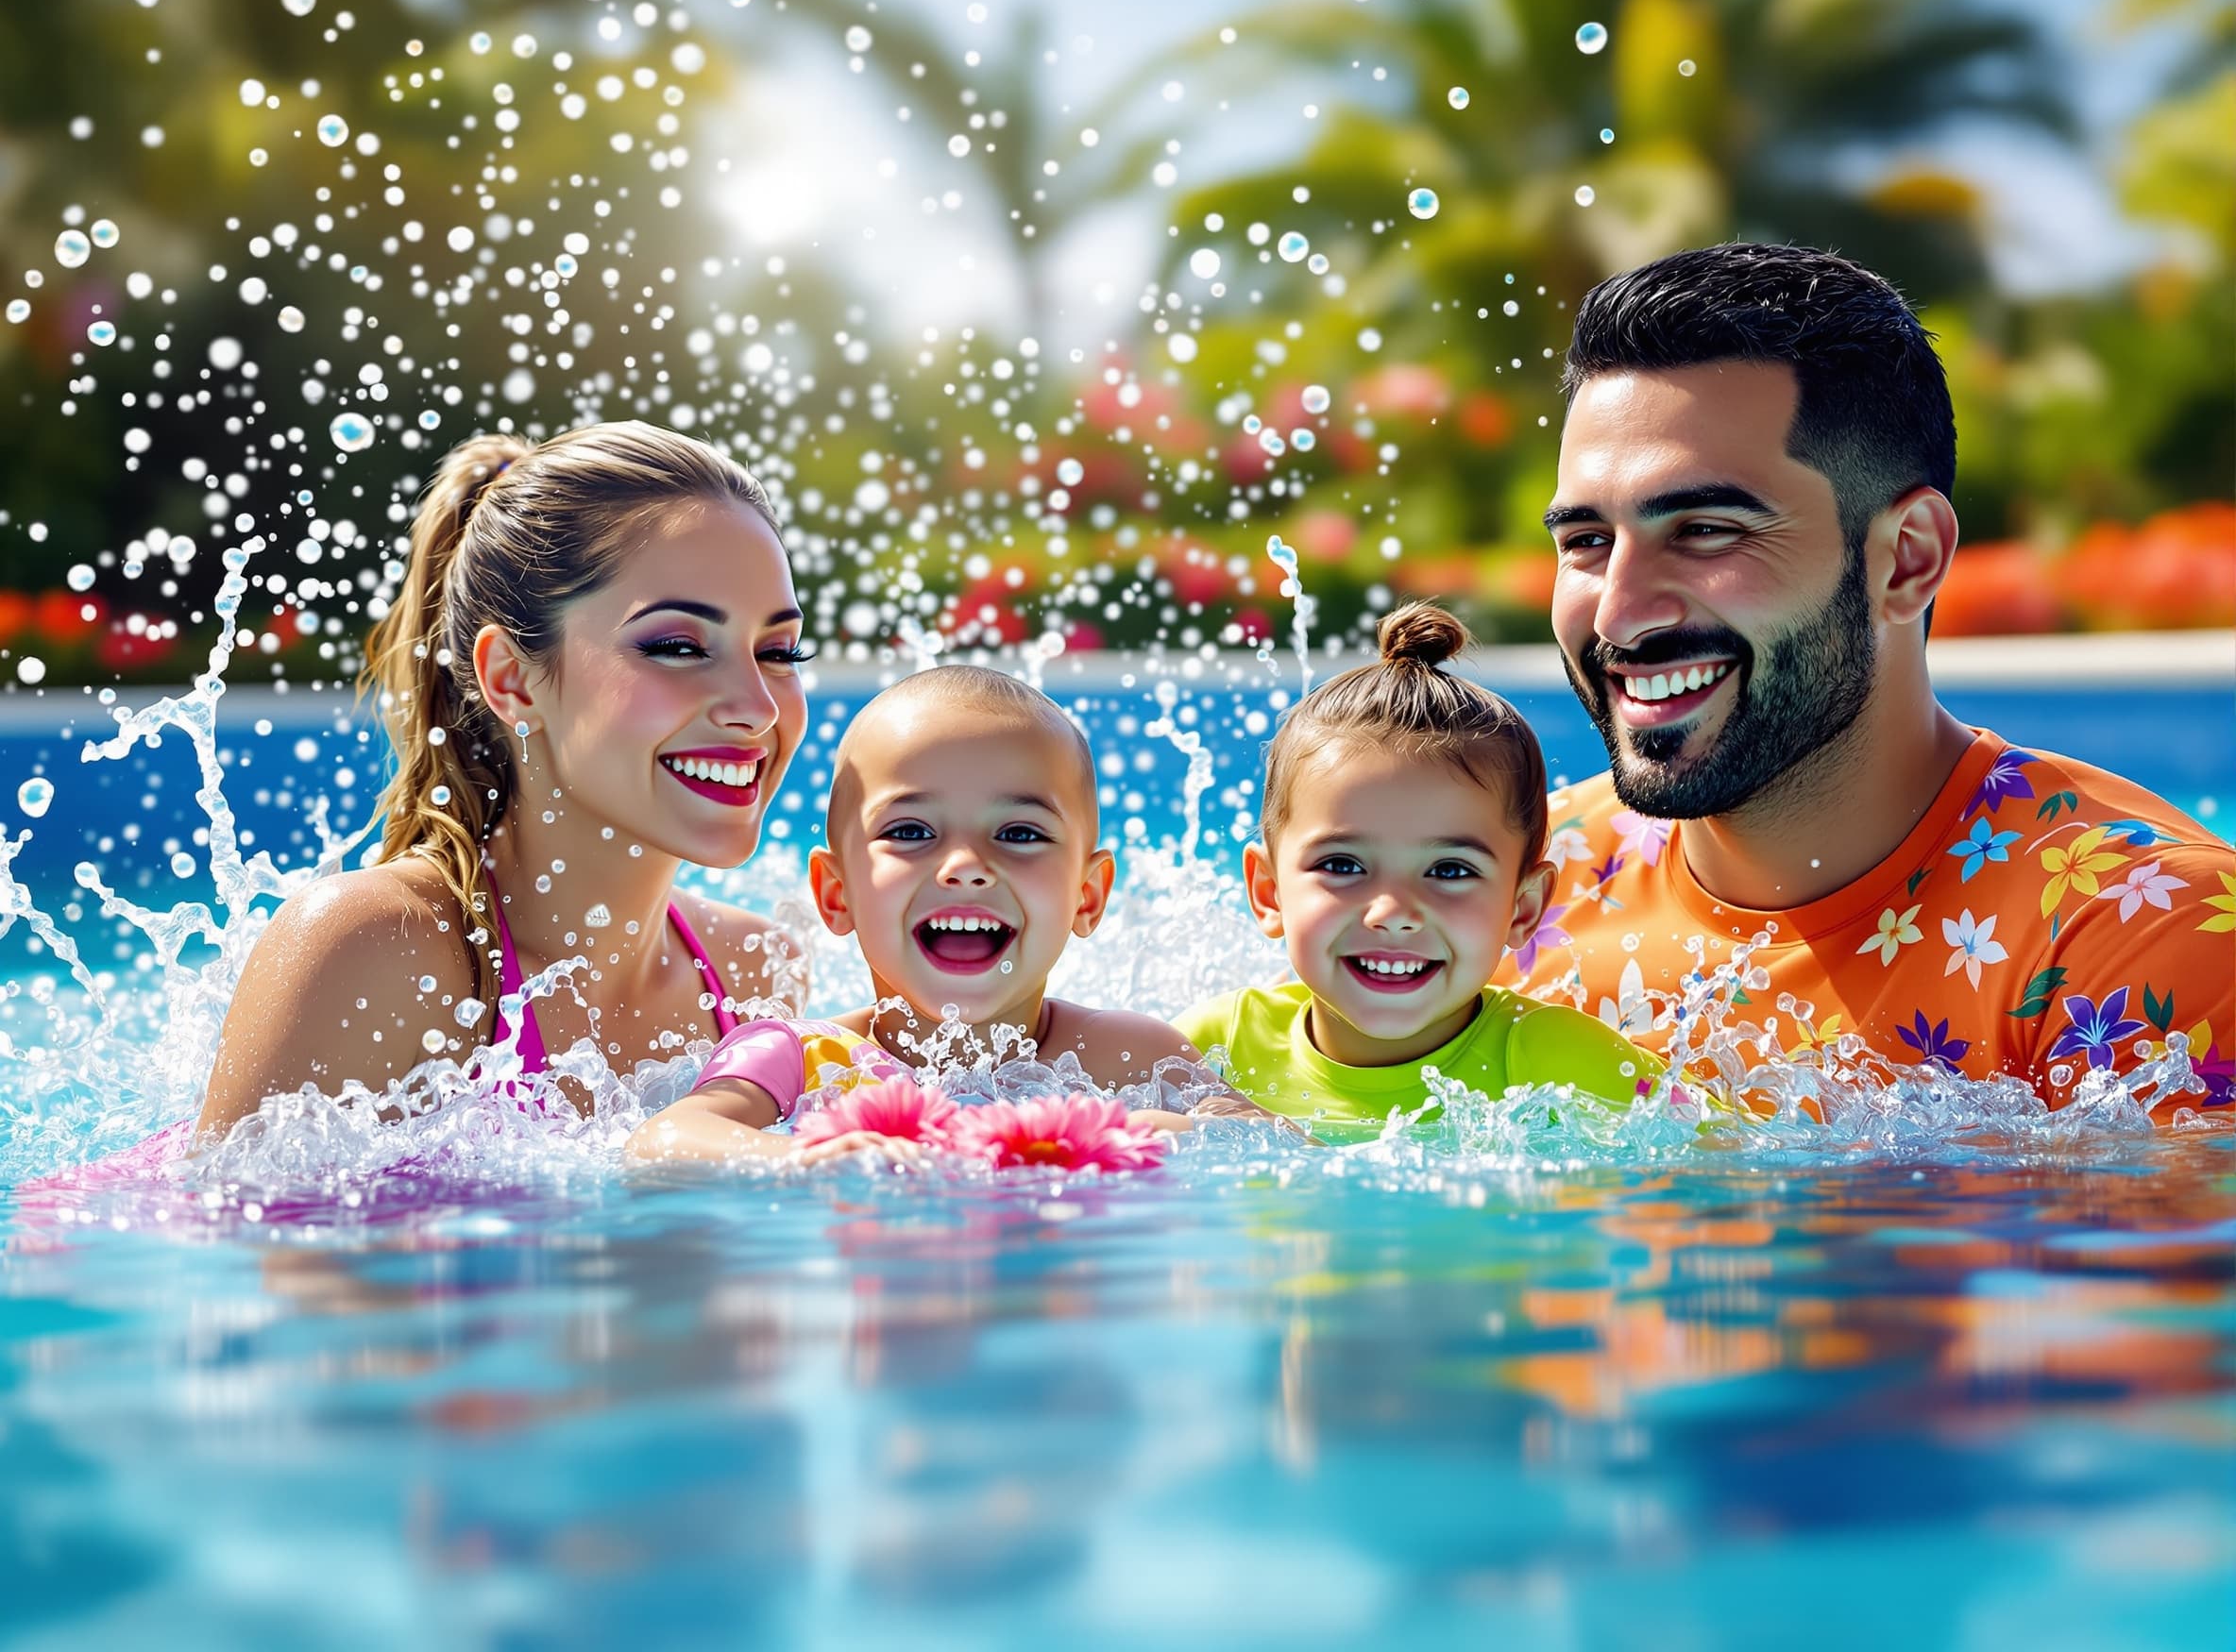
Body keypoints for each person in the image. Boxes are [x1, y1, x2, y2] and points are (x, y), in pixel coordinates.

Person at [1530, 243, 2232, 1113]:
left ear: (1908, 558)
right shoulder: (1501, 887)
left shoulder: (2146, 939)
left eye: (1707, 531)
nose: (1619, 616)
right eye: (1587, 543)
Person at [193, 419, 812, 1138]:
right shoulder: (373, 954)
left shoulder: (757, 974)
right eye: (678, 646)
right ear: (511, 678)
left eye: (779, 650)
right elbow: (231, 1239)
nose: (757, 708)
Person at [628, 666, 1220, 1164]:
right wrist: (801, 1158)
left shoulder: (1128, 1054)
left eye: (1018, 833)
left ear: (1087, 895)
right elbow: (665, 1139)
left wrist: (1170, 1134)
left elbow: (1271, 1140)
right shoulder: (799, 1059)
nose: (965, 866)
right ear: (837, 894)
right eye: (911, 831)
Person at [1177, 603, 1665, 1138]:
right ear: (1269, 892)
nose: (1394, 913)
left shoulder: (1565, 1063)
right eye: (1343, 865)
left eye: (1450, 870)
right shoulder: (1211, 1054)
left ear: (1523, 908)